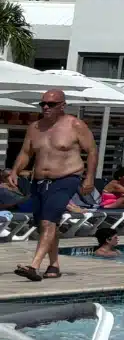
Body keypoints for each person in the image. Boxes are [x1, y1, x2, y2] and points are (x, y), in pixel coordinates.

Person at [6, 88, 96, 282]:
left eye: (51, 104)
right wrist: (14, 171)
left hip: (66, 178)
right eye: (43, 104)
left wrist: (89, 178)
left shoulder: (75, 125)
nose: (46, 107)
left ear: (62, 105)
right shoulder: (35, 127)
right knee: (44, 224)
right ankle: (53, 265)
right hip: (39, 181)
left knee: (48, 222)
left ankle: (33, 266)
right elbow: (25, 153)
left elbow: (92, 151)